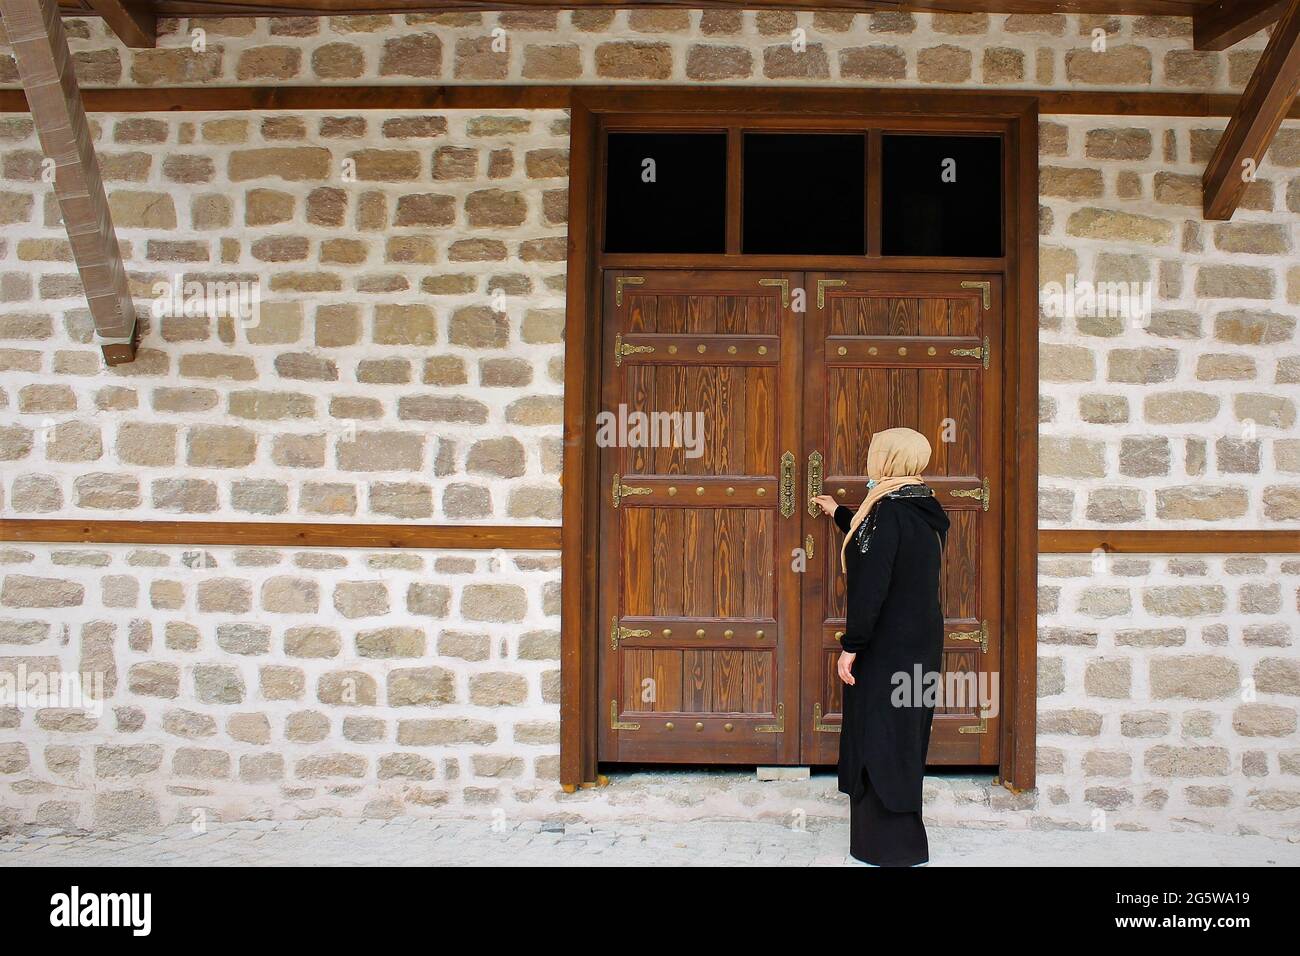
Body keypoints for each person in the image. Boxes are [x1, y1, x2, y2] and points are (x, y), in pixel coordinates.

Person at [811, 426, 950, 867]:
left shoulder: (885, 512)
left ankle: (884, 846)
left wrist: (853, 645)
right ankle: (904, 841)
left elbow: (872, 581)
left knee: (879, 734)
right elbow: (878, 539)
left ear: (888, 459)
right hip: (921, 643)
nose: (871, 459)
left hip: (887, 646)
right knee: (904, 735)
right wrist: (839, 513)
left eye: (875, 452)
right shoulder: (920, 505)